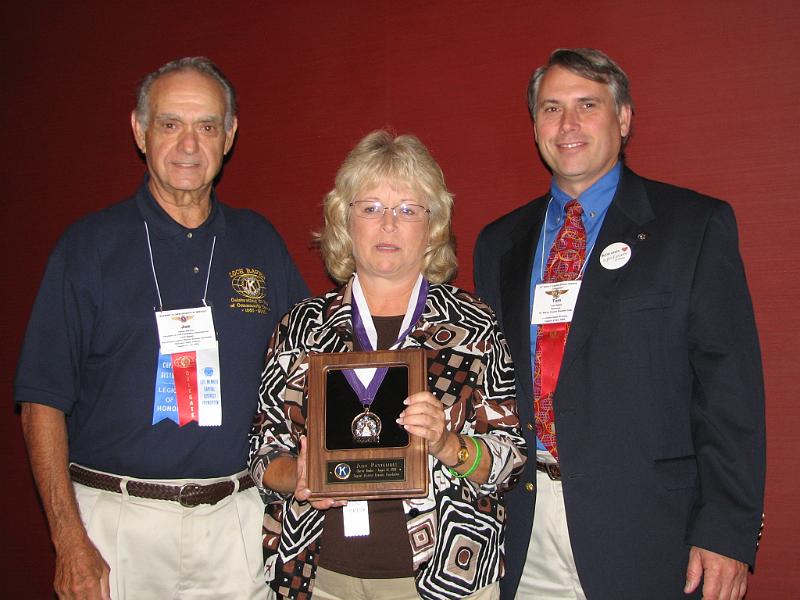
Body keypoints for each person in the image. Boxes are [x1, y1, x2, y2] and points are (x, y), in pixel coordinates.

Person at [473, 48, 765, 600]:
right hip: (522, 532)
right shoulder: (499, 244)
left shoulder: (693, 228)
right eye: (552, 108)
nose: (569, 124)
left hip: (649, 536)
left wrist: (727, 530)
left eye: (588, 104)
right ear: (535, 124)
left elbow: (731, 393)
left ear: (623, 118)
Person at [15, 57, 309, 599]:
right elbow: (41, 402)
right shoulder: (88, 247)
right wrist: (68, 538)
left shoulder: (259, 242)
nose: (190, 145)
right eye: (171, 124)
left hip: (235, 524)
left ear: (231, 135)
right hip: (116, 526)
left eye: (207, 126)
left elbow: (310, 365)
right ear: (139, 130)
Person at [249, 130, 527, 600]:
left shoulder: (474, 327)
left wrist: (448, 443)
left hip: (444, 579)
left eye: (407, 209)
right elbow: (262, 450)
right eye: (371, 207)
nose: (388, 225)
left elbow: (511, 459)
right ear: (345, 220)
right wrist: (292, 472)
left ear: (432, 226)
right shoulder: (303, 327)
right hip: (320, 576)